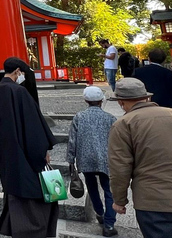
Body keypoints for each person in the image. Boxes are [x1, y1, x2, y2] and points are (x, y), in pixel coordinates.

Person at [0, 57, 58, 238]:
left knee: (14, 189)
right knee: (33, 194)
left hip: (7, 152)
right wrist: (42, 151)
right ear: (18, 72)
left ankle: (16, 228)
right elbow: (32, 126)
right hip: (26, 154)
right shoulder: (19, 92)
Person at [108, 77, 172, 236]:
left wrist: (119, 200)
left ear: (121, 102)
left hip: (153, 201)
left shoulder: (123, 124)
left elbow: (120, 167)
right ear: (147, 97)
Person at [66, 86, 118, 237]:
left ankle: (100, 213)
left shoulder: (79, 117)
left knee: (92, 186)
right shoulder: (110, 118)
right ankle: (109, 225)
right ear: (102, 100)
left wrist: (71, 160)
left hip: (86, 158)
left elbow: (72, 140)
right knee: (109, 190)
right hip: (106, 159)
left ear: (85, 100)